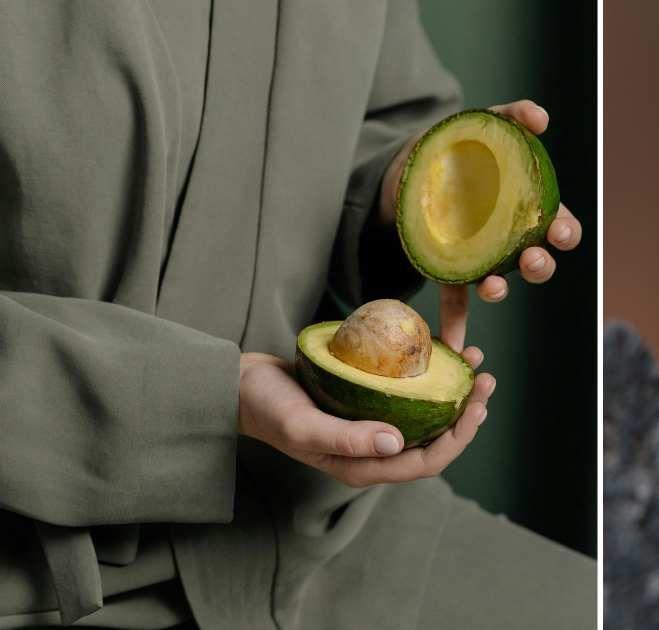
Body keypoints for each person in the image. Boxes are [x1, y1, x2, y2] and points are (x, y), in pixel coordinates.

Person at [0, 2, 594, 628]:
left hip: (315, 529)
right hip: (36, 573)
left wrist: (401, 190)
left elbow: (377, 115)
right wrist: (209, 397)